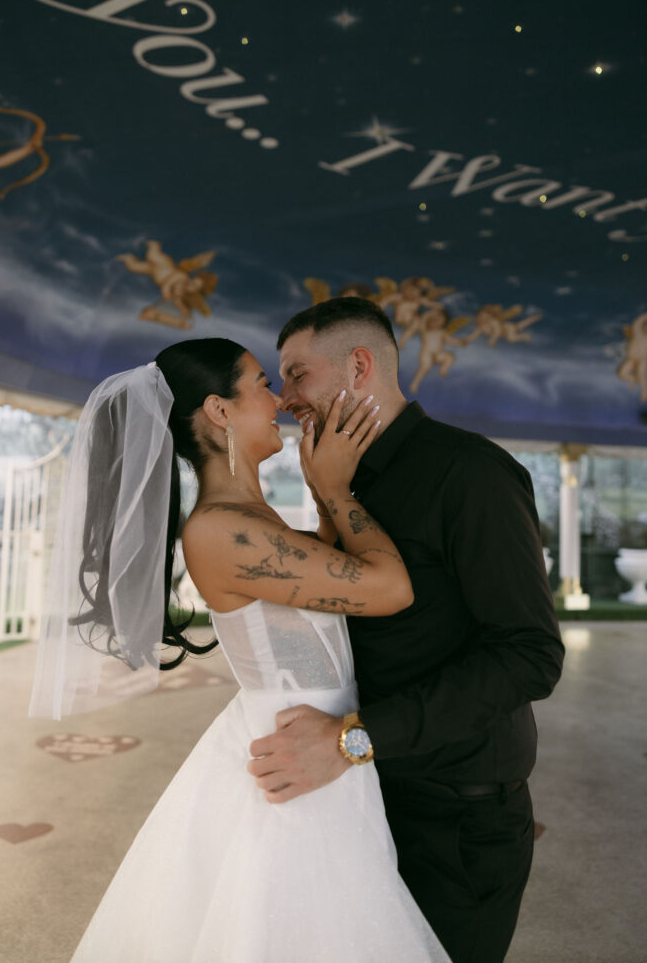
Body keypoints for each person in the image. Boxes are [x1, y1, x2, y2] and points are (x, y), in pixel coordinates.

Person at [30, 338, 452, 962]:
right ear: (220, 411)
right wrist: (336, 489)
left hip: (316, 742)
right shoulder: (221, 528)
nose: (279, 399)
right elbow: (390, 588)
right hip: (296, 756)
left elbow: (317, 587)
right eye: (260, 383)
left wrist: (319, 488)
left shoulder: (251, 516)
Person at [248, 298, 565, 963]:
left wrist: (350, 739)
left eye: (297, 375)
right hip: (364, 799)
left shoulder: (469, 472)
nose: (284, 400)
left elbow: (529, 655)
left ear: (358, 366)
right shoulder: (339, 479)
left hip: (454, 822)